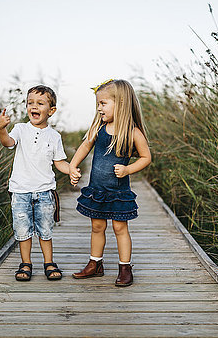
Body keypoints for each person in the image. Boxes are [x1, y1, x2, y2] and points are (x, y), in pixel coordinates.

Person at [69, 79, 151, 286]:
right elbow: (85, 146)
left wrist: (128, 169)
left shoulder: (132, 132)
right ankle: (95, 263)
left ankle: (125, 267)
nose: (99, 109)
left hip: (117, 192)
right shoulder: (99, 127)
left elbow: (146, 157)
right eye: (98, 104)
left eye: (103, 104)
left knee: (120, 228)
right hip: (97, 190)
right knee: (97, 226)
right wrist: (73, 166)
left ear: (121, 104)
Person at [0, 85, 70, 281]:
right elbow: (8, 143)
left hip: (45, 192)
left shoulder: (54, 136)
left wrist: (71, 169)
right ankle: (26, 263)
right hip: (20, 192)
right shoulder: (20, 129)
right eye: (30, 103)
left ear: (51, 110)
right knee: (22, 230)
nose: (33, 107)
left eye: (40, 103)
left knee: (45, 230)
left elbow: (59, 162)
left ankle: (49, 262)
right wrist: (1, 128)